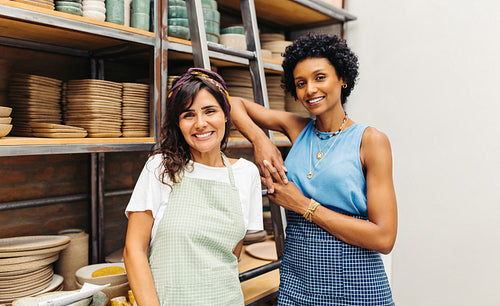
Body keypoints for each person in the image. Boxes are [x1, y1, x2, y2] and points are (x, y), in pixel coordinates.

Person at [230, 33, 397, 305]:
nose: (310, 90)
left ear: (342, 78)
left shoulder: (370, 141)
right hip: (298, 283)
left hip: (355, 286)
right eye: (300, 83)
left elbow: (384, 237)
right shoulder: (297, 129)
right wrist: (260, 140)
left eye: (320, 77)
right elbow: (232, 102)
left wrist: (303, 205)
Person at [123, 68, 263, 305]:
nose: (200, 123)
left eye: (210, 111)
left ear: (226, 115)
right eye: (188, 115)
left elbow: (232, 253)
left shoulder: (246, 173)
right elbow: (133, 251)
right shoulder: (160, 168)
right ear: (178, 123)